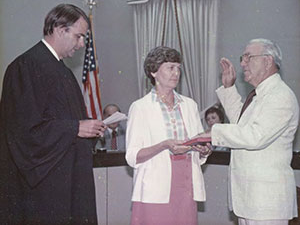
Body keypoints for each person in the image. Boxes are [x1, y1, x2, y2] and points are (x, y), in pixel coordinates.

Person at [0, 4, 107, 225]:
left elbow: (70, 122)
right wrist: (76, 128)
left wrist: (92, 128)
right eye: (78, 37)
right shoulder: (25, 67)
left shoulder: (64, 72)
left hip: (71, 181)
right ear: (60, 29)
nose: (82, 44)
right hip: (45, 189)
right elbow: (22, 131)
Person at [198, 38, 299, 224]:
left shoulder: (280, 96)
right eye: (242, 58)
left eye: (248, 57)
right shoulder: (261, 94)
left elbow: (255, 136)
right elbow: (241, 125)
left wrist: (214, 133)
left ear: (268, 61)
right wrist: (228, 88)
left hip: (267, 205)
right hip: (250, 201)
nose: (242, 63)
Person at [125, 46, 212, 225]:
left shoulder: (190, 105)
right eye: (170, 67)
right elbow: (132, 156)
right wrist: (164, 145)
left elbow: (198, 143)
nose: (176, 73)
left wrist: (203, 150)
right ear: (153, 72)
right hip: (155, 184)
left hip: (187, 181)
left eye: (178, 68)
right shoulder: (140, 107)